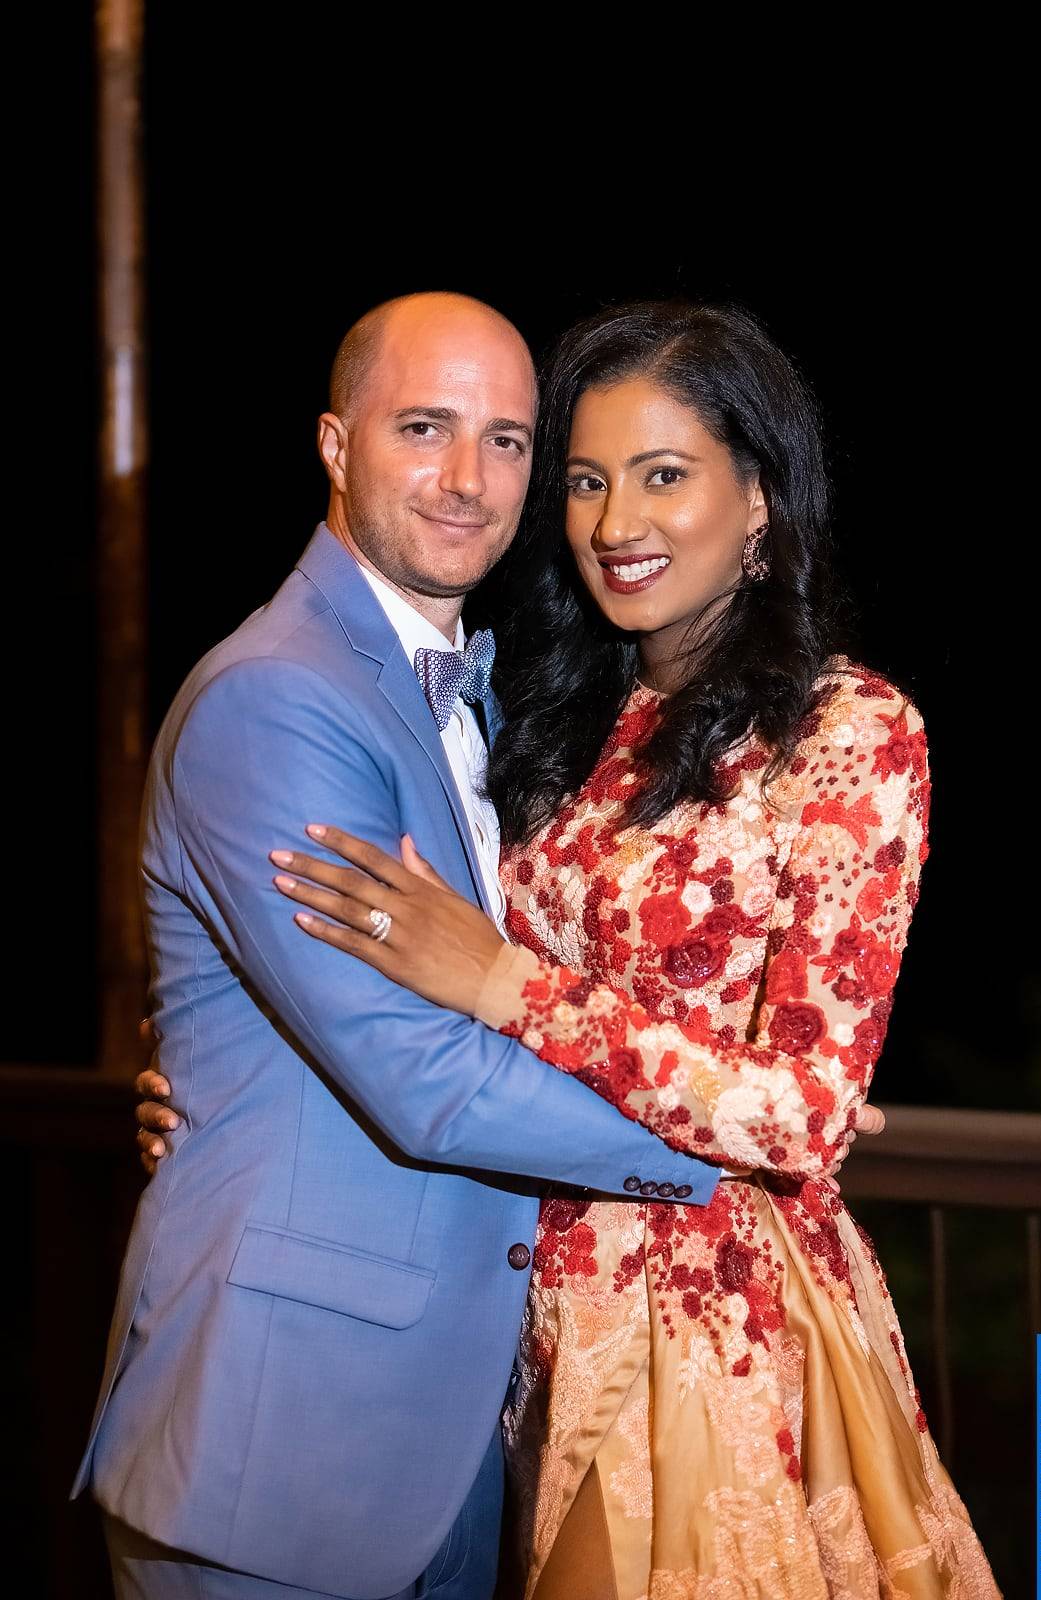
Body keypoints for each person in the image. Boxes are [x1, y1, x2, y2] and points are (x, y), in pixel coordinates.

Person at [256, 302, 1001, 1595]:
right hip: (506, 1303)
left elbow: (803, 1116)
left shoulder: (849, 732)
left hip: (702, 1313)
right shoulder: (560, 716)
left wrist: (510, 985)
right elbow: (400, 966)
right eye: (588, 481)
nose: (615, 525)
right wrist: (233, 1087)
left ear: (758, 497)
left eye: (664, 476)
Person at [74, 292, 732, 1600]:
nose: (468, 478)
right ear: (335, 445)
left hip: (451, 1434)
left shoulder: (486, 692)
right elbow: (423, 1075)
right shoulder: (277, 696)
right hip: (280, 1445)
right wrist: (731, 1150)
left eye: (506, 441)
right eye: (424, 427)